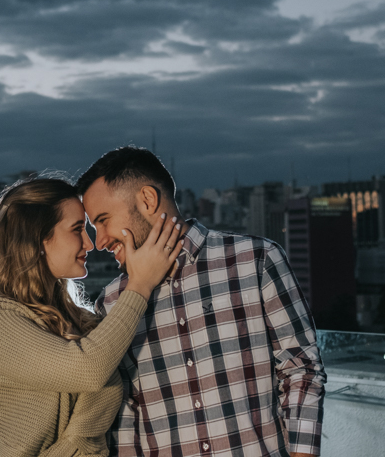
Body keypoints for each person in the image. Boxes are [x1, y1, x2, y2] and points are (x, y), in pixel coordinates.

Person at [78, 147, 326, 457]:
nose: (99, 241)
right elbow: (125, 415)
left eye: (103, 220)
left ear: (147, 200)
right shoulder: (112, 303)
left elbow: (300, 369)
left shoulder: (256, 260)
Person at [0, 176, 184, 457]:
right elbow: (89, 369)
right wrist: (139, 286)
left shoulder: (80, 321)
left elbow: (98, 386)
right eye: (77, 229)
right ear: (36, 237)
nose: (90, 244)